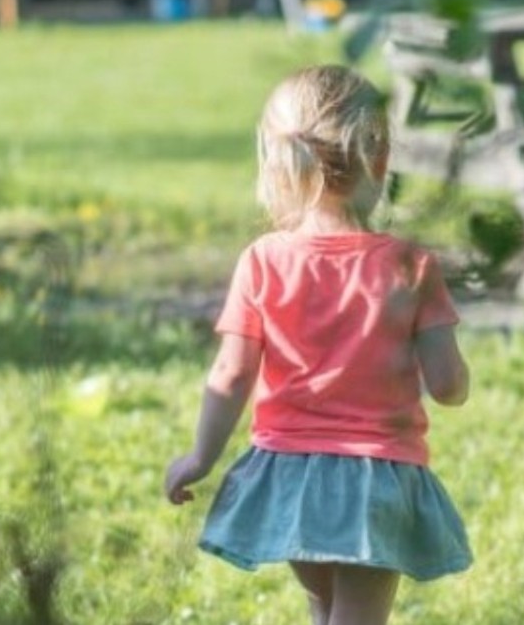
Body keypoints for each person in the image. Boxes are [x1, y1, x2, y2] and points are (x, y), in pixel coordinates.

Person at [165, 66, 473, 625]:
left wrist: (200, 456)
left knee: (324, 605)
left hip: (288, 477)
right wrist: (456, 380)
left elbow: (231, 374)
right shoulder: (409, 264)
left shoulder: (263, 260)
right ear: (380, 160)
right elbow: (448, 385)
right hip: (373, 481)